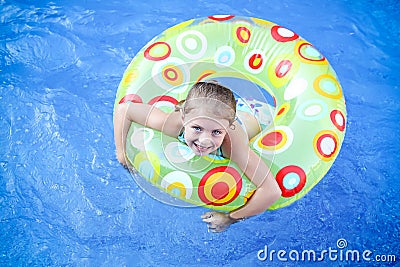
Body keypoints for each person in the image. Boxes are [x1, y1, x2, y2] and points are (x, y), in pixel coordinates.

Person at [114, 81, 282, 232]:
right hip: (215, 111)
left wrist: (230, 218)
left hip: (256, 116)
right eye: (197, 128)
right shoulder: (173, 124)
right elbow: (125, 109)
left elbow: (271, 191)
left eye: (216, 132)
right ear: (183, 117)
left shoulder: (234, 146)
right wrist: (122, 155)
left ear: (229, 127)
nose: (204, 140)